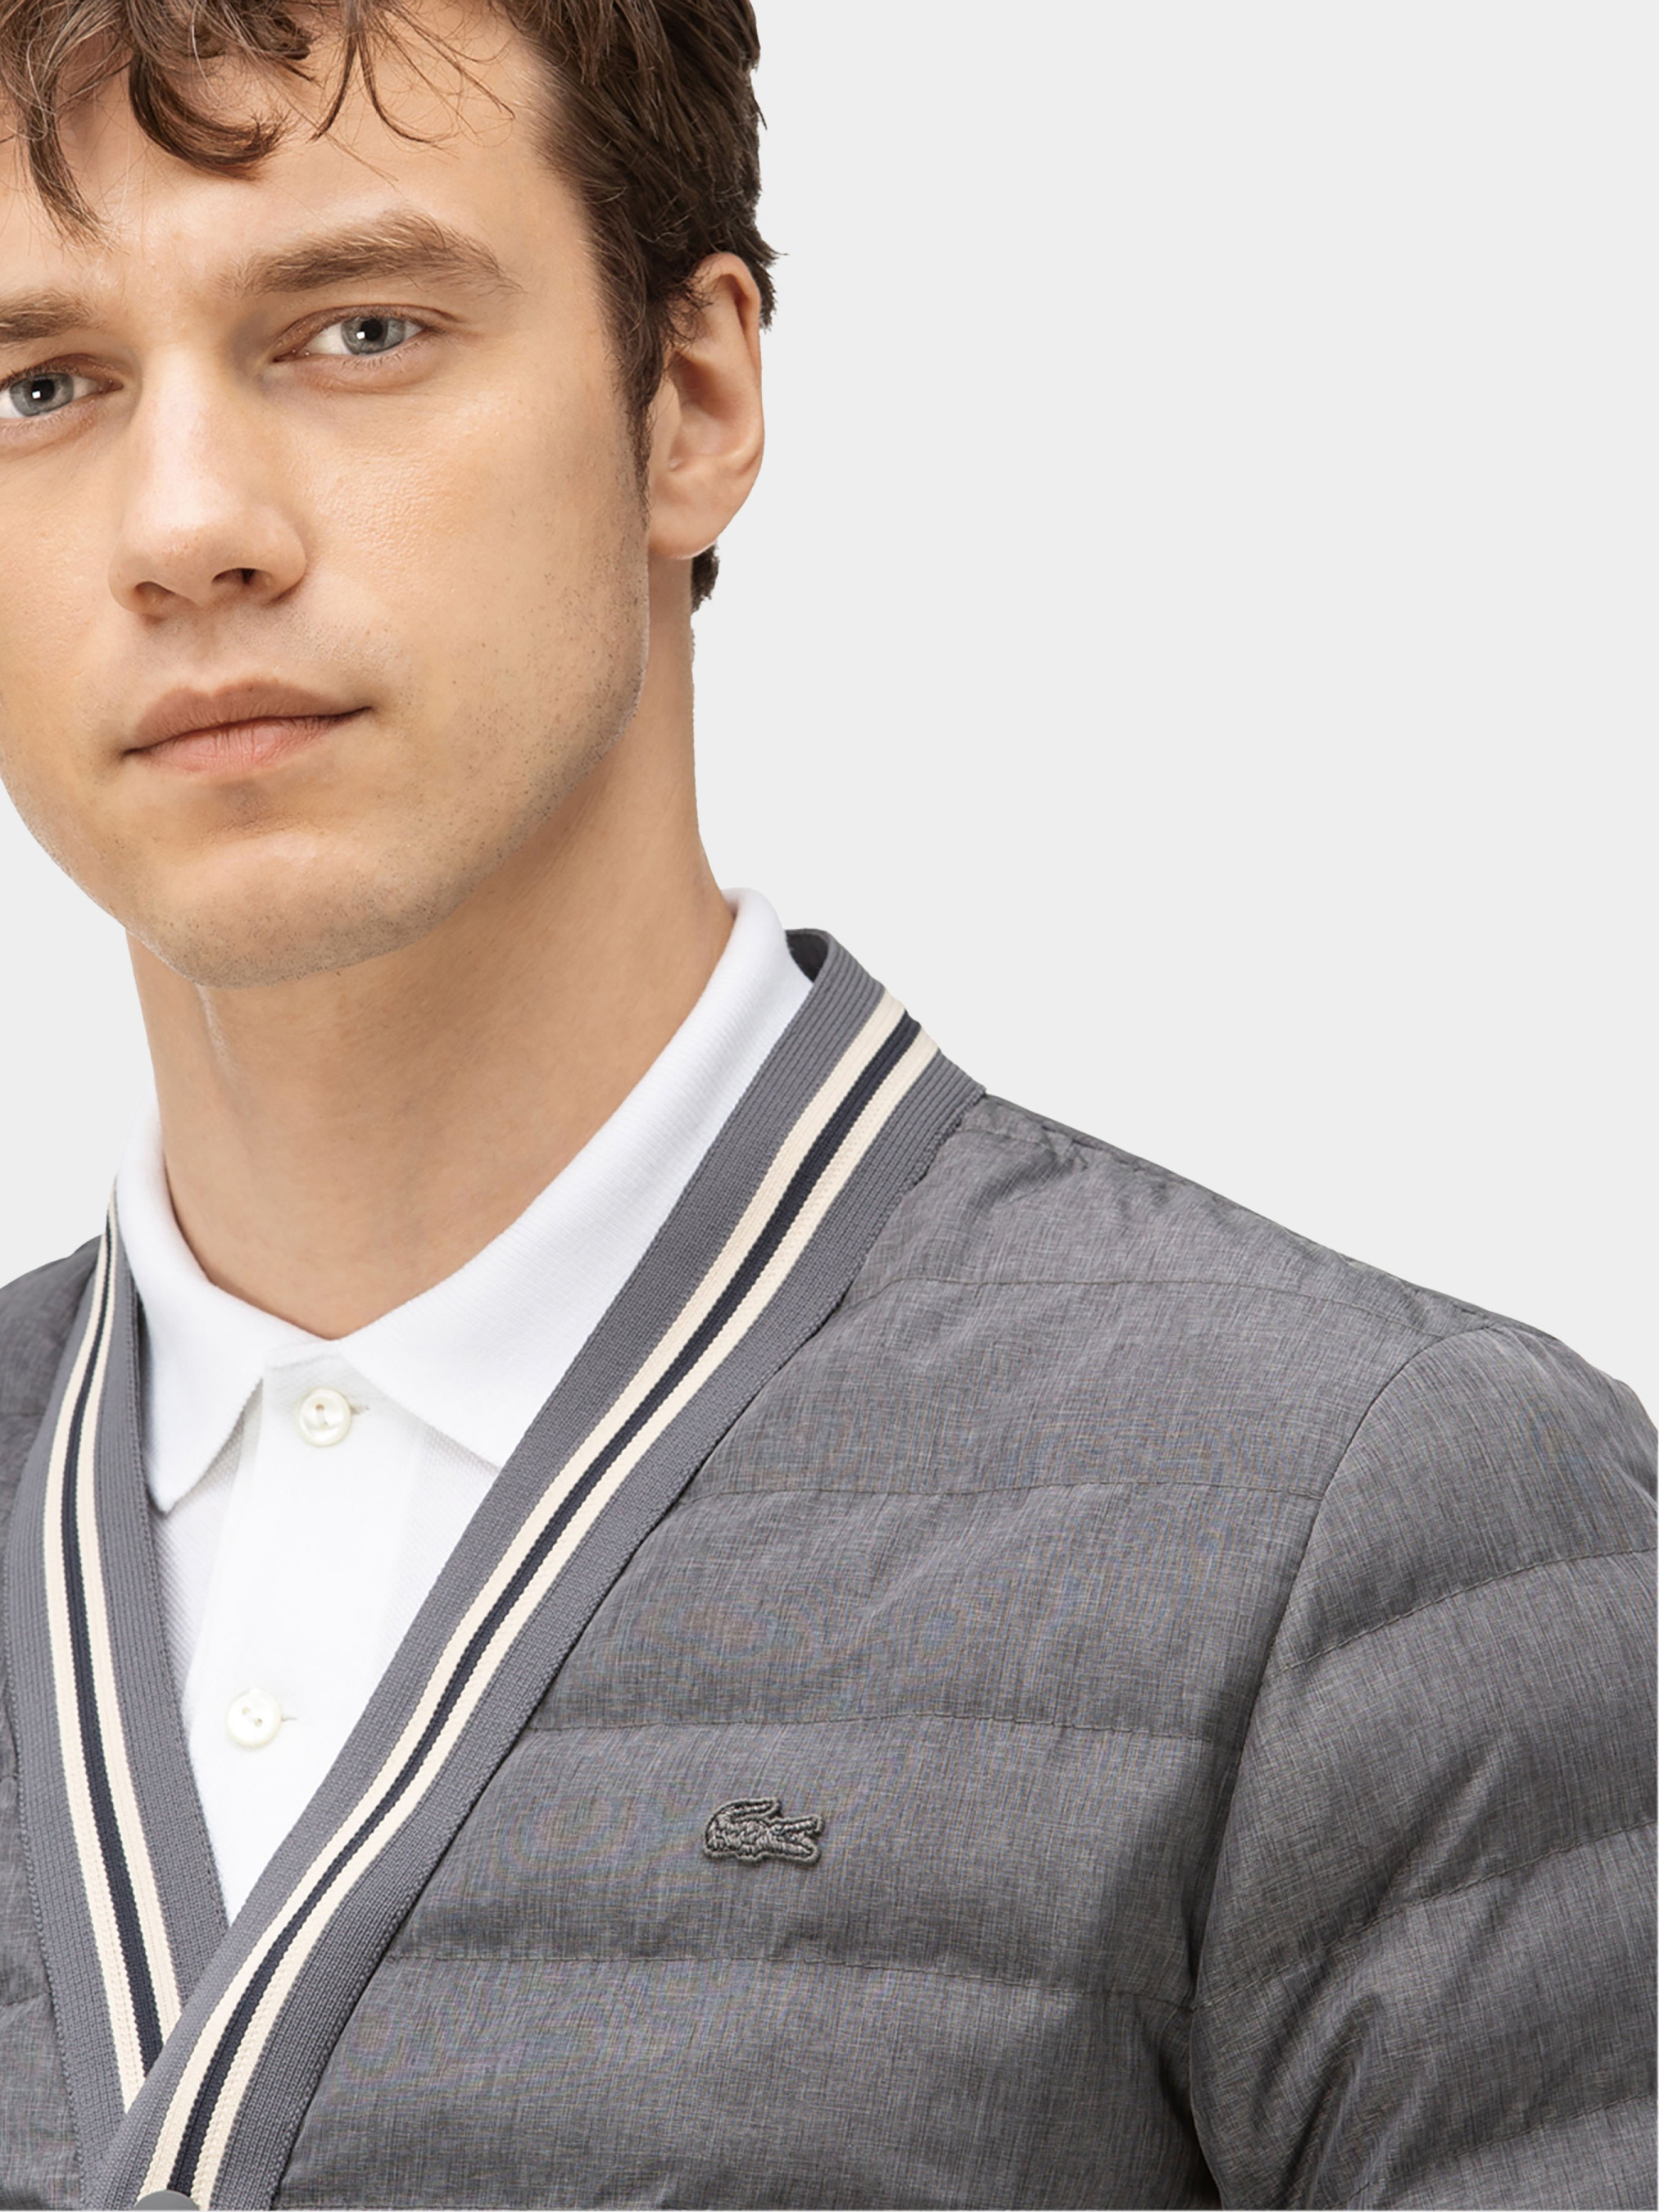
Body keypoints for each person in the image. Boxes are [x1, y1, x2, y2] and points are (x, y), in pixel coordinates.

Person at [0, 2, 1650, 2206]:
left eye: (361, 328)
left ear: (692, 397)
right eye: (38, 386)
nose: (189, 525)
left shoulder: (1370, 1525)